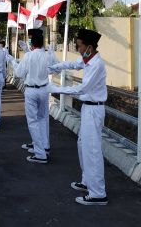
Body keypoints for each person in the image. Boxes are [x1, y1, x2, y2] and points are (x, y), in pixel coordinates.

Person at [48, 29, 108, 206]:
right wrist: (54, 66)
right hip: (88, 109)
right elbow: (74, 64)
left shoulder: (97, 65)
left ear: (89, 47)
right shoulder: (88, 60)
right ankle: (87, 181)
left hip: (94, 110)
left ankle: (98, 193)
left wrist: (55, 89)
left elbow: (82, 89)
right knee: (83, 145)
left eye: (79, 45)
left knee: (92, 150)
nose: (77, 48)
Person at [8, 31, 56, 164]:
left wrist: (14, 62)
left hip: (31, 90)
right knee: (43, 119)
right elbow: (54, 69)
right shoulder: (46, 56)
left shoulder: (28, 56)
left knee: (33, 121)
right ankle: (44, 146)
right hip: (44, 89)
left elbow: (18, 73)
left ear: (31, 44)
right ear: (43, 43)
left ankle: (39, 152)